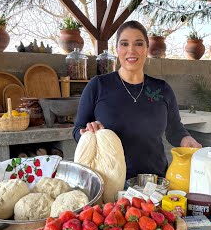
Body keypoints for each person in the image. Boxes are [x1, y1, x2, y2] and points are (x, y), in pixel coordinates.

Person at [73, 20, 202, 180]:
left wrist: (186, 139)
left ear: (147, 49)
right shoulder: (98, 85)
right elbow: (77, 129)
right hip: (110, 182)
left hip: (155, 181)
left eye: (139, 44)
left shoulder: (162, 89)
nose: (131, 50)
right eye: (124, 44)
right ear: (117, 49)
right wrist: (88, 133)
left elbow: (174, 129)